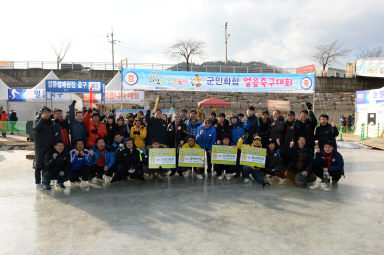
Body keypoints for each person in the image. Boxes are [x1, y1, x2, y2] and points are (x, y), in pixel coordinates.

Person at [33, 107, 54, 190]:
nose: (47, 114)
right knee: (38, 166)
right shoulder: (37, 120)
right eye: (45, 112)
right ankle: (38, 183)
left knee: (46, 166)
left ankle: (44, 182)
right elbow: (36, 129)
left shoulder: (50, 122)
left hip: (48, 147)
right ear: (41, 113)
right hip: (40, 148)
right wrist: (41, 119)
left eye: (48, 112)